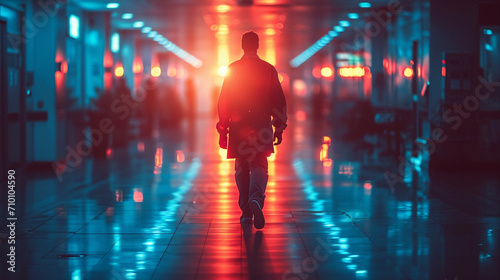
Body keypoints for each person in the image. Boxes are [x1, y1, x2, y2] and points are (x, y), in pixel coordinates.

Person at [216, 31, 287, 229]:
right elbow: (278, 101)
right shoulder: (268, 69)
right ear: (257, 46)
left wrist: (223, 129)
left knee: (241, 167)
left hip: (239, 125)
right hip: (261, 125)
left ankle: (246, 211)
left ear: (242, 45)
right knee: (259, 165)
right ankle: (256, 199)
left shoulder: (233, 69)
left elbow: (224, 101)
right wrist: (279, 128)